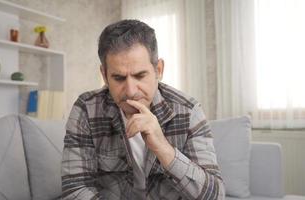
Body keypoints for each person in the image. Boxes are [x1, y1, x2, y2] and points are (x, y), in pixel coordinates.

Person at [62, 19, 225, 200]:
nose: (131, 91)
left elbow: (215, 195)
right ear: (104, 76)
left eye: (140, 75)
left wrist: (163, 147)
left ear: (159, 70)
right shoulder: (86, 109)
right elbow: (75, 189)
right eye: (118, 78)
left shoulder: (188, 111)